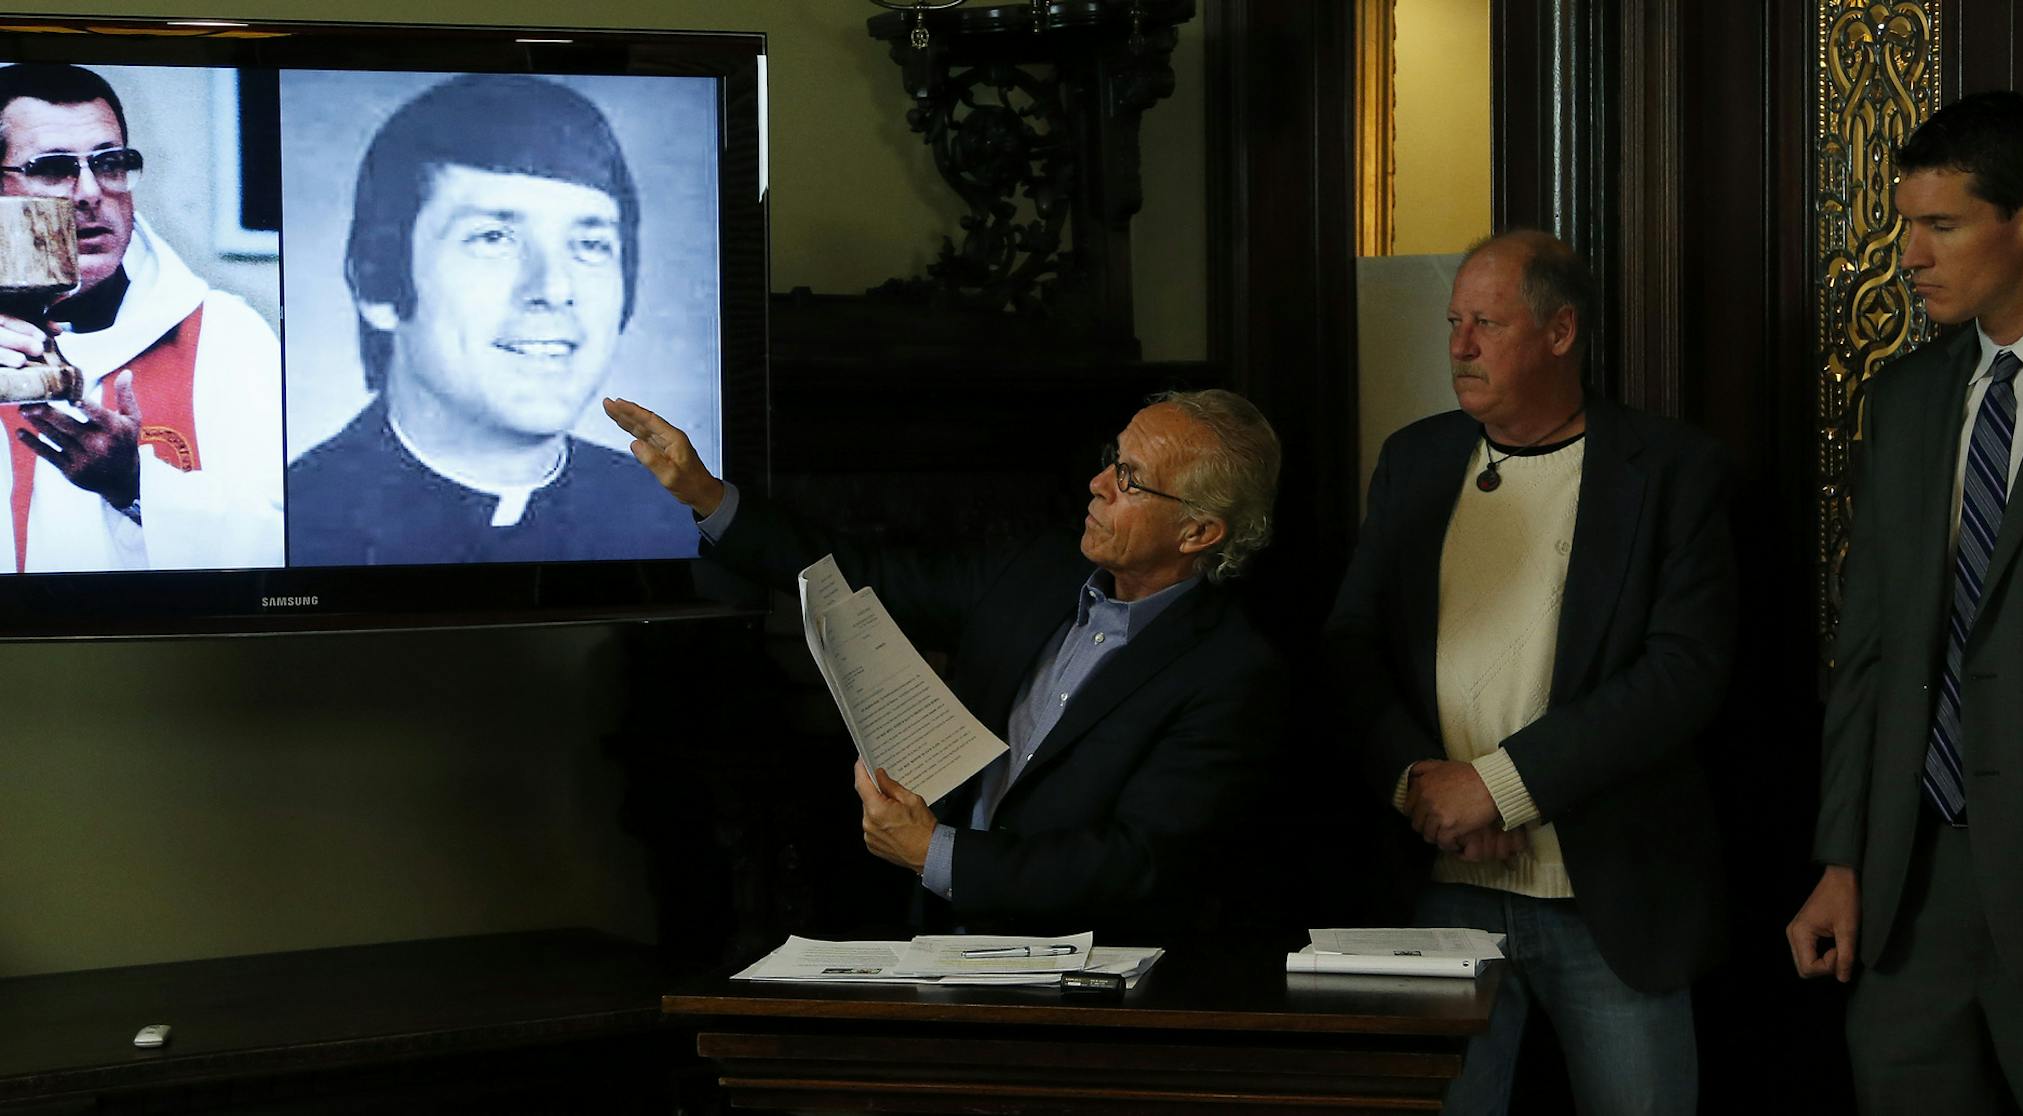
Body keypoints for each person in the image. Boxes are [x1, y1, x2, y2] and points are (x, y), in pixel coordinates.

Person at [1786, 91, 2023, 1113]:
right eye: (1906, 224)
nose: (1909, 254)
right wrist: (1840, 858)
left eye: (1940, 225)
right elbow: (1865, 655)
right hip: (1909, 899)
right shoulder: (1903, 401)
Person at [602, 389, 1287, 939]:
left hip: (1089, 972)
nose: (1097, 482)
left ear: (1198, 532)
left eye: (1130, 479)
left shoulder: (1231, 671)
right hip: (935, 937)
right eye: (1113, 457)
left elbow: (1141, 863)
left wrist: (937, 854)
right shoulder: (1040, 568)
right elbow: (865, 577)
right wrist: (707, 497)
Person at [1326, 230, 1736, 1115]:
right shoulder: (1416, 459)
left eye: (1486, 323)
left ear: (1560, 333)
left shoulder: (1670, 470)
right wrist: (1423, 788)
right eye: (1452, 324)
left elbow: (1683, 674)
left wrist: (1499, 788)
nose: (1459, 348)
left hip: (1610, 897)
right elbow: (1351, 646)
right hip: (1438, 891)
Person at [286, 75, 691, 567]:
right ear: (378, 282)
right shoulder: (284, 523)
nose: (555, 289)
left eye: (590, 245)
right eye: (494, 237)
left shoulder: (671, 516)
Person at [0, 63, 282, 573]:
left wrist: (133, 484)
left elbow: (289, 543)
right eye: (53, 167)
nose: (89, 192)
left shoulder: (224, 336)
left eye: (110, 163)